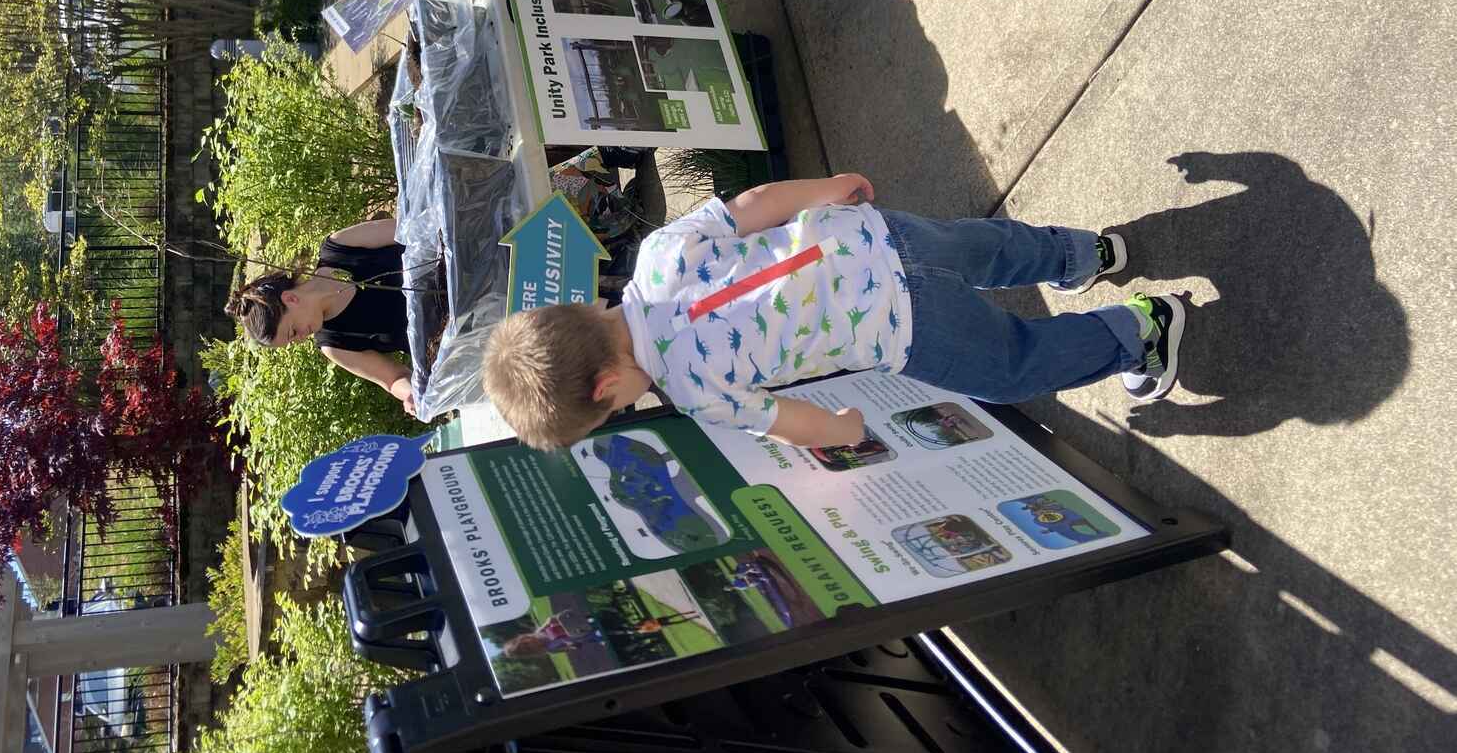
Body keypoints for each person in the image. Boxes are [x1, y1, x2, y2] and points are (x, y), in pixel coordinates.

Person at [481, 174, 1185, 451]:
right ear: (579, 306)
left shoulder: (696, 394)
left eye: (613, 411)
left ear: (606, 389)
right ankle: (1086, 254)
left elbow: (787, 421)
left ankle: (1141, 332)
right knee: (988, 247)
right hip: (877, 234)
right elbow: (751, 204)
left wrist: (843, 430)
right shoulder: (660, 252)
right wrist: (829, 186)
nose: (626, 407)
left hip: (901, 324)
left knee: (1008, 367)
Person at [225, 218, 421, 416]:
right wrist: (409, 394)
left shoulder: (340, 247)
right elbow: (393, 378)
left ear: (290, 298)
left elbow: (412, 226)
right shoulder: (335, 345)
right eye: (293, 341)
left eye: (292, 332)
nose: (300, 338)